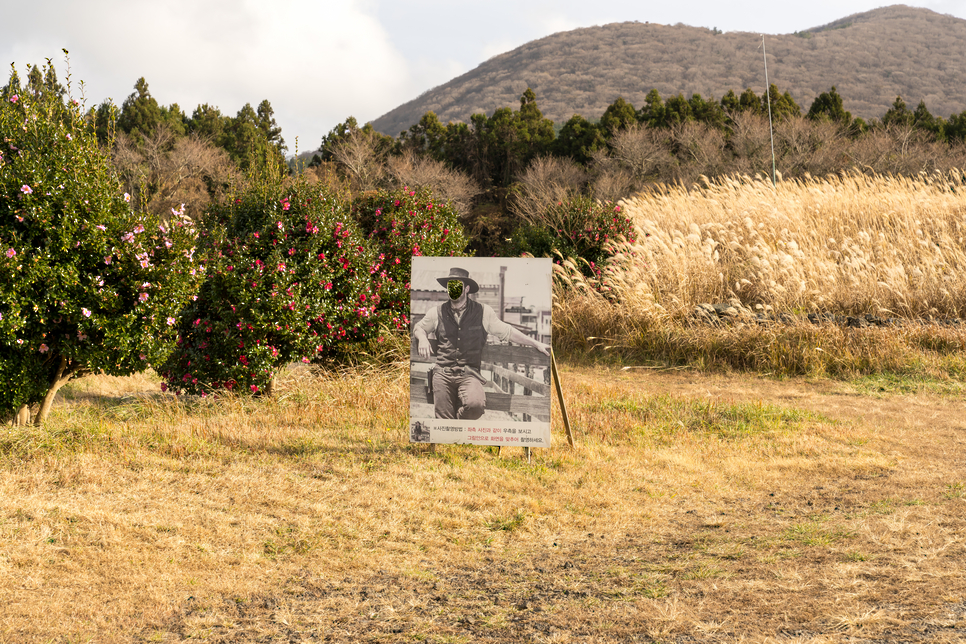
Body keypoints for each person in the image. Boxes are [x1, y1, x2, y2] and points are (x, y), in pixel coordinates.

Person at [413, 267, 550, 420]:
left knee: (475, 406)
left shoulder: (483, 312)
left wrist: (535, 343)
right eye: (450, 286)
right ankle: (450, 432)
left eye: (457, 285)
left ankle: (457, 424)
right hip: (443, 374)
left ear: (466, 288)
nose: (453, 289)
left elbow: (507, 331)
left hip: (469, 374)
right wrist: (423, 338)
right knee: (443, 420)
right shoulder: (436, 312)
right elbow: (419, 327)